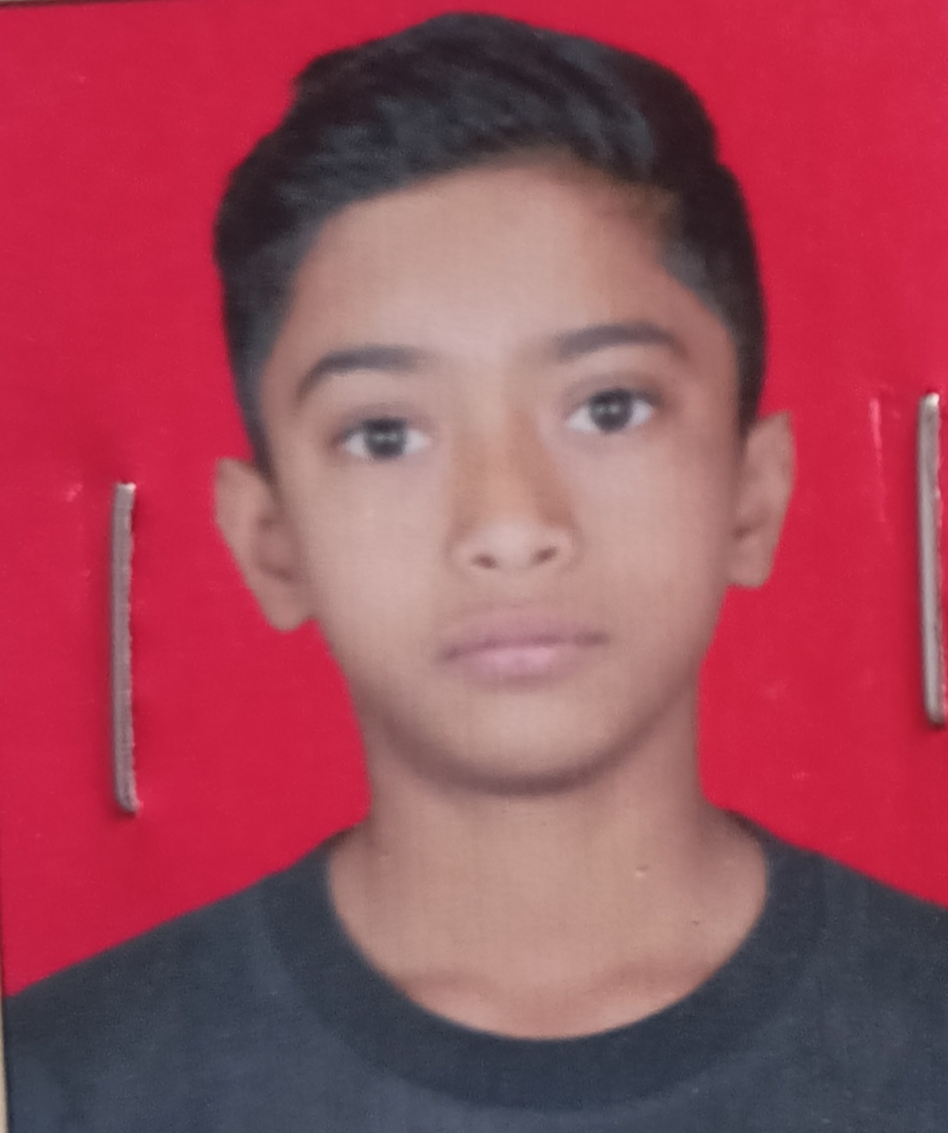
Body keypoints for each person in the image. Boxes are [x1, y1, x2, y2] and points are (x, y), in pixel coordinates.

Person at [5, 12, 948, 1131]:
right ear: (268, 538)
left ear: (755, 489)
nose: (507, 525)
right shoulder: (58, 1082)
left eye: (610, 407)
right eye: (385, 433)